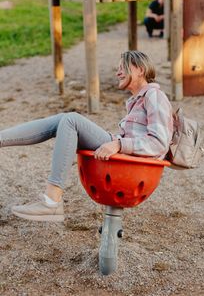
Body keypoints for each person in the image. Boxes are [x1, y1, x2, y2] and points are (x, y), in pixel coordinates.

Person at [0, 51, 173, 223]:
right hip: (128, 157)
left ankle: (51, 201)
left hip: (136, 166)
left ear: (140, 70)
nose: (118, 72)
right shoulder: (135, 101)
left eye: (123, 67)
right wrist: (118, 141)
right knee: (63, 119)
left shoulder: (154, 96)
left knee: (71, 120)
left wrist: (119, 144)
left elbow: (159, 143)